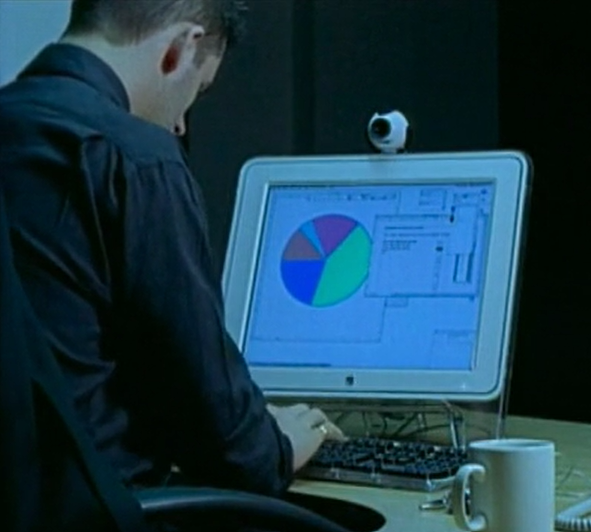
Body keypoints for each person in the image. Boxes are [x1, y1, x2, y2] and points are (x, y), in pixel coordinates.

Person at [0, 0, 343, 496]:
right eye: (195, 92)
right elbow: (224, 439)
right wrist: (279, 442)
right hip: (107, 509)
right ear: (181, 49)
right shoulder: (137, 158)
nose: (180, 124)